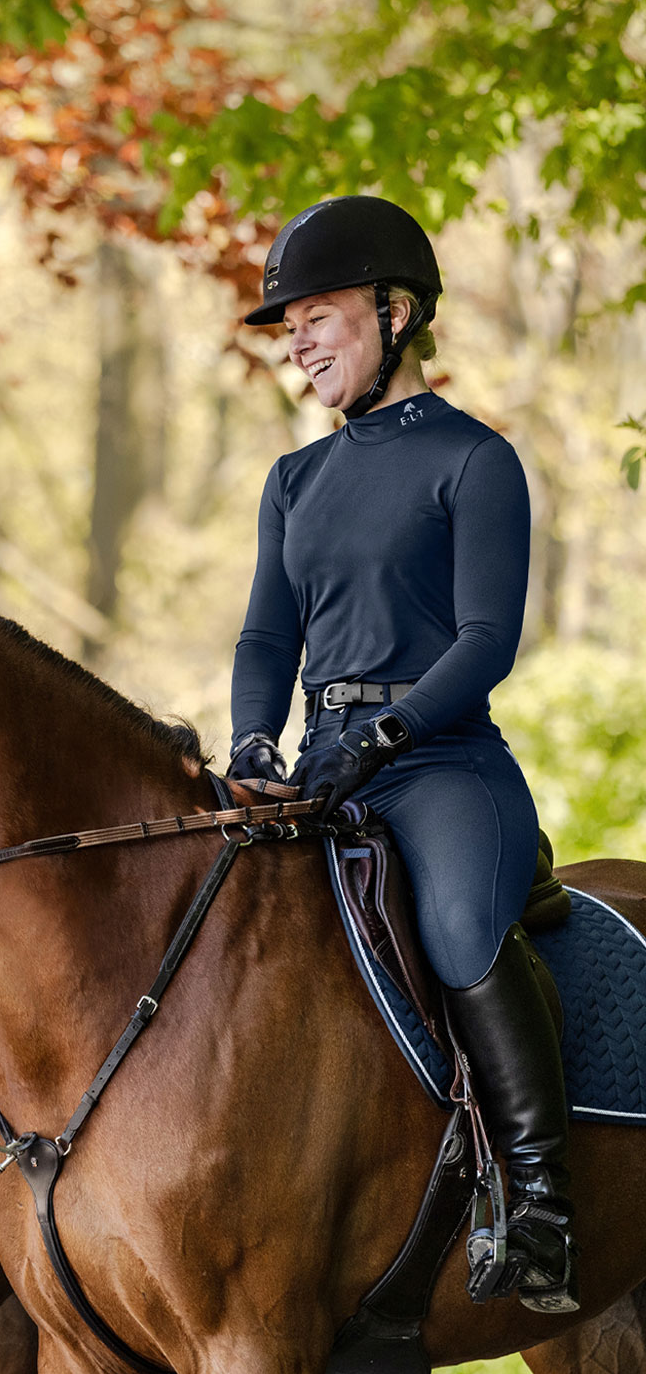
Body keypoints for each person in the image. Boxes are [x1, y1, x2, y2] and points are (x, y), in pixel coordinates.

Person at [227, 194, 578, 1313]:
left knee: (459, 926)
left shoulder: (475, 461)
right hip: (314, 759)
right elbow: (264, 637)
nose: (298, 339)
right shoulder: (293, 478)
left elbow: (485, 641)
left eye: (319, 314)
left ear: (395, 312)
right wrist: (251, 738)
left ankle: (538, 1205)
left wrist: (385, 731)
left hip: (437, 763)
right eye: (291, 323)